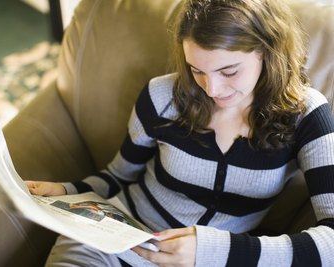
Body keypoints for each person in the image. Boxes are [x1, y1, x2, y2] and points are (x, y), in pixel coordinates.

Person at [26, 0, 334, 266]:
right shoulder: (162, 96)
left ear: (268, 53)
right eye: (197, 70)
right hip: (115, 239)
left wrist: (215, 251)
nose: (212, 89)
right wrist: (69, 191)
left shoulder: (306, 115)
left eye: (229, 71)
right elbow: (118, 176)